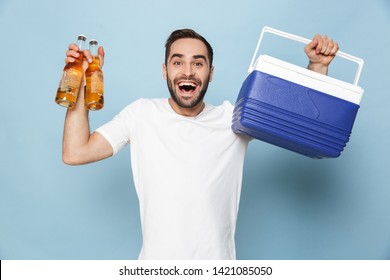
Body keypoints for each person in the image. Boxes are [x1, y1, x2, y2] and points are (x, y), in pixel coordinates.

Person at [61, 29, 339, 259]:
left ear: (210, 72)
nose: (188, 72)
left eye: (198, 63)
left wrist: (317, 67)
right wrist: (82, 83)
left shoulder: (235, 118)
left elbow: (302, 119)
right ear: (165, 70)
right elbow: (75, 152)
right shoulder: (141, 113)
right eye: (178, 62)